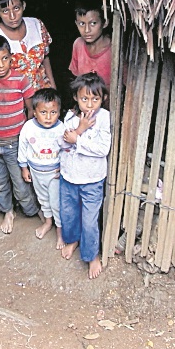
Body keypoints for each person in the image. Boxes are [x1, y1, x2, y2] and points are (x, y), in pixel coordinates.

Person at [0, 34, 39, 234]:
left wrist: (27, 139)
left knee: (21, 184)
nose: (0, 65)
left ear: (11, 58)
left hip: (14, 143)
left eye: (5, 59)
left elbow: (30, 110)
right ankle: (8, 212)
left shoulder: (21, 80)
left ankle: (32, 212)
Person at [59, 72, 111, 279]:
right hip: (69, 176)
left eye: (95, 99)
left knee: (89, 221)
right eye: (84, 99)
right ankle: (73, 240)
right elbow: (62, 143)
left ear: (103, 99)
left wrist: (77, 140)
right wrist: (79, 129)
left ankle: (92, 255)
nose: (89, 104)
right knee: (69, 215)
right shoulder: (70, 117)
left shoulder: (104, 118)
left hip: (91, 180)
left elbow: (102, 149)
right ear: (75, 98)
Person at [18, 87, 65, 246]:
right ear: (35, 112)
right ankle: (48, 222)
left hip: (55, 173)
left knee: (56, 202)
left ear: (59, 112)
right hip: (36, 172)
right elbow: (22, 147)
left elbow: (67, 150)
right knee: (43, 199)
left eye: (53, 112)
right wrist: (24, 167)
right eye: (43, 112)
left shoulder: (61, 128)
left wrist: (64, 167)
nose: (48, 117)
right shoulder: (28, 127)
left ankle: (60, 231)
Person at [0, 0, 55, 89]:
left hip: (42, 96)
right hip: (13, 98)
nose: (12, 16)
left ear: (24, 6)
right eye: (5, 11)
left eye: (16, 8)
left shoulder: (36, 25)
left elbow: (46, 58)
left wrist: (53, 88)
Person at [68, 3, 112, 86]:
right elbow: (76, 78)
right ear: (76, 24)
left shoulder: (114, 49)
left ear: (105, 23)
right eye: (82, 24)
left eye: (93, 23)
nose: (87, 30)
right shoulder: (78, 44)